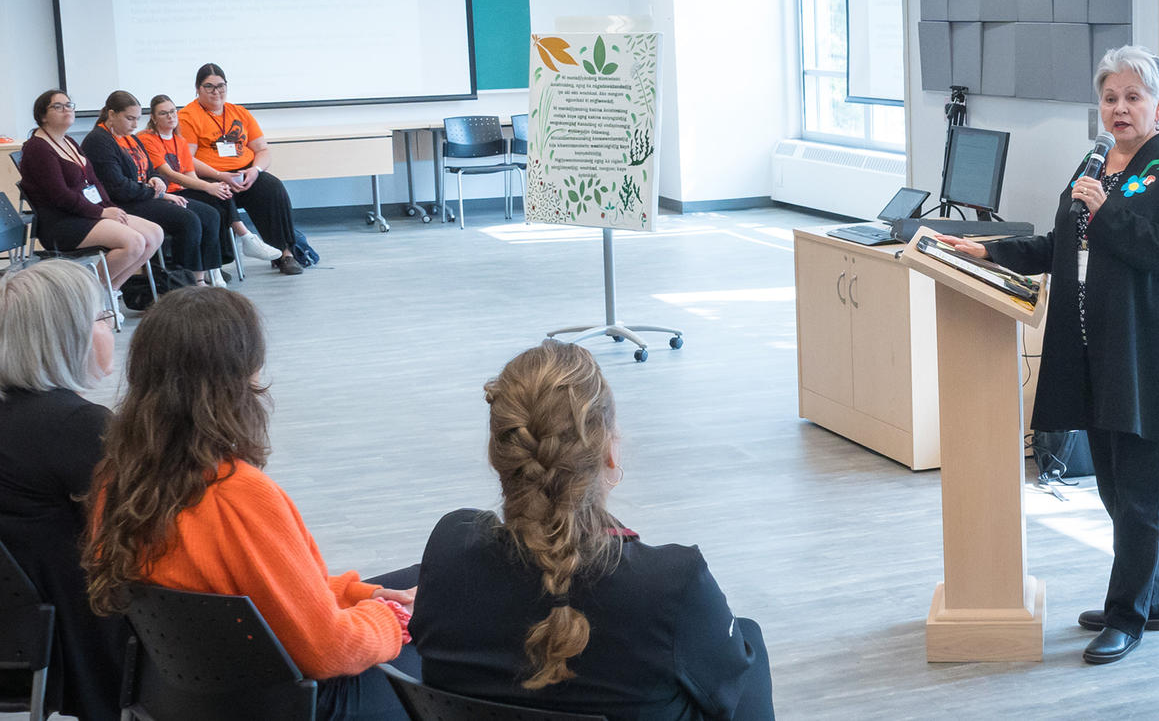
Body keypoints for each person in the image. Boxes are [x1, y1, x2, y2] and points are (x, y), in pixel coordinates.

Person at [937, 44, 1159, 666]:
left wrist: (1107, 210)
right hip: (1094, 350)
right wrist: (993, 251)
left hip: (1150, 357)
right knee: (1114, 487)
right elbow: (1064, 243)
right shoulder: (1094, 160)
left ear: (1158, 105)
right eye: (1110, 97)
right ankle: (1153, 598)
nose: (1119, 108)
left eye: (1132, 97)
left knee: (1139, 493)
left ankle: (1127, 616)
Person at [83, 287, 419, 720]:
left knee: (422, 582)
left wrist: (362, 595)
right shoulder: (237, 496)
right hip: (293, 703)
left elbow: (258, 591)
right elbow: (328, 650)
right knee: (448, 627)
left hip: (187, 697)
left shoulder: (118, 478)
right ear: (245, 377)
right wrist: (392, 619)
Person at [411, 340, 774, 720]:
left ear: (500, 455)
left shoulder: (450, 548)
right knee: (746, 643)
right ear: (609, 452)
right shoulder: (673, 586)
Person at [0, 260, 129, 720]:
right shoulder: (79, 426)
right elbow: (138, 541)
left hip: (18, 633)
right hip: (80, 638)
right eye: (101, 317)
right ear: (66, 336)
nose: (112, 327)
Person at [16, 89, 162, 291]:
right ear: (42, 116)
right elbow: (60, 196)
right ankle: (90, 294)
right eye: (57, 107)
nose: (66, 109)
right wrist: (102, 212)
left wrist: (110, 208)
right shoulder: (37, 148)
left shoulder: (68, 141)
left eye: (69, 105)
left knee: (155, 234)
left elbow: (94, 182)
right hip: (63, 221)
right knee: (134, 242)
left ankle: (109, 293)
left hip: (87, 213)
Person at [137, 93, 282, 285]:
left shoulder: (179, 141)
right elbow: (169, 173)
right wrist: (208, 186)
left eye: (173, 112)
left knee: (221, 195)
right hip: (167, 193)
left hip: (183, 189)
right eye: (164, 114)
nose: (171, 117)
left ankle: (220, 266)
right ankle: (241, 241)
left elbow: (190, 175)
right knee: (210, 207)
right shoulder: (147, 139)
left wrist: (211, 188)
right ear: (154, 118)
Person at [81, 90, 221, 287]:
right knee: (187, 220)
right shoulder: (99, 140)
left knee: (210, 214)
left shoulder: (130, 137)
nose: (135, 124)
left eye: (137, 119)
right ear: (112, 115)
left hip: (143, 196)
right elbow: (118, 187)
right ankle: (181, 284)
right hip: (124, 203)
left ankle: (201, 277)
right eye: (130, 118)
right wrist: (157, 193)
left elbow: (150, 169)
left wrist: (156, 180)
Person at [176, 63, 304, 275]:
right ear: (197, 88)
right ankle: (217, 265)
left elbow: (262, 149)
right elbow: (186, 159)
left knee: (272, 188)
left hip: (246, 173)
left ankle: (284, 253)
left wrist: (255, 171)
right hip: (210, 175)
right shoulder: (188, 116)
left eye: (221, 86)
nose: (216, 92)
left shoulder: (239, 112)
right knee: (218, 194)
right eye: (209, 87)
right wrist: (220, 175)